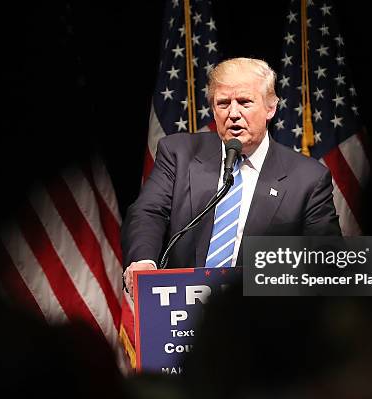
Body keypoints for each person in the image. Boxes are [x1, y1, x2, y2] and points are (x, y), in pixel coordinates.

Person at [122, 57, 340, 295]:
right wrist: (144, 261)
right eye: (223, 103)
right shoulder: (178, 153)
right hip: (180, 310)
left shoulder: (308, 178)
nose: (233, 113)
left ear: (270, 108)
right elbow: (148, 211)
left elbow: (326, 261)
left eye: (245, 102)